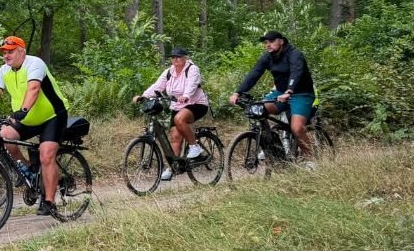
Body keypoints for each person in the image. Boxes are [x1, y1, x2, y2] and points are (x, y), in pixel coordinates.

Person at [0, 35, 68, 217]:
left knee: (46, 156)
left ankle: (49, 201)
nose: (6, 55)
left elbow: (34, 89)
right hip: (27, 119)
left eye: (10, 51)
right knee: (4, 135)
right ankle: (28, 168)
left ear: (22, 51)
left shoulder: (35, 63)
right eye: (4, 52)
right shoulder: (4, 70)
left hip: (52, 116)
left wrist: (23, 110)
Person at [229, 30, 316, 160]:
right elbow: (254, 74)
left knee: (297, 128)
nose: (268, 44)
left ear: (281, 41)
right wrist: (238, 92)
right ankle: (270, 145)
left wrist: (289, 90)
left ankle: (311, 159)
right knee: (258, 110)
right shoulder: (268, 57)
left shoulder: (294, 54)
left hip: (301, 94)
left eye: (271, 41)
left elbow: (296, 72)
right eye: (266, 42)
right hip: (280, 93)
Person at [133, 46, 211, 181]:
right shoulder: (169, 72)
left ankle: (195, 147)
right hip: (177, 106)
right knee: (175, 137)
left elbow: (192, 85)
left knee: (180, 120)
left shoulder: (192, 70)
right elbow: (158, 86)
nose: (175, 59)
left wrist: (186, 95)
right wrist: (144, 95)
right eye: (173, 57)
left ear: (185, 58)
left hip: (196, 104)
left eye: (178, 57)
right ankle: (174, 166)